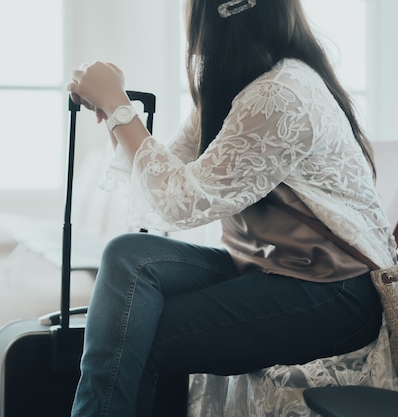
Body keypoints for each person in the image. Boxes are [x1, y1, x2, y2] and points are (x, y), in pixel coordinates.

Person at [65, 0, 398, 416]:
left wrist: (118, 107)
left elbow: (183, 202)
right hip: (272, 266)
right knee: (128, 255)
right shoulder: (239, 84)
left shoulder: (280, 93)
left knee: (137, 335)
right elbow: (168, 173)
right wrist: (115, 112)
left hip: (333, 291)